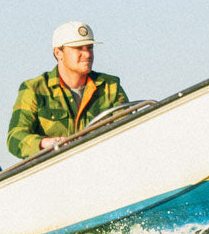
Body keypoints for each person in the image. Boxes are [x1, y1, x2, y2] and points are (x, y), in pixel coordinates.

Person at [7, 21, 129, 159]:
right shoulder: (34, 89)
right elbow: (14, 137)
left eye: (89, 48)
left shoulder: (110, 86)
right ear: (58, 53)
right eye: (79, 48)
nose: (87, 54)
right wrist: (45, 143)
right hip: (54, 173)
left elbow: (128, 129)